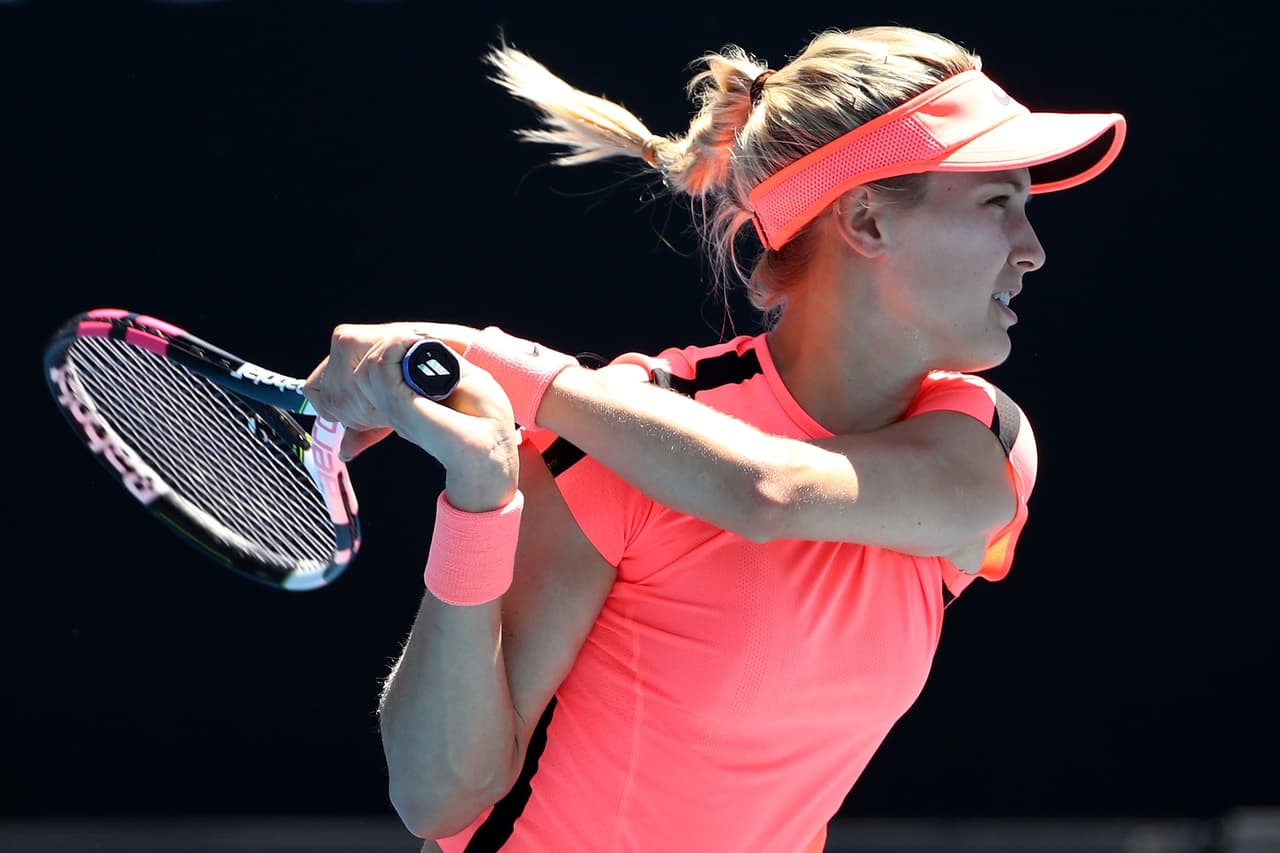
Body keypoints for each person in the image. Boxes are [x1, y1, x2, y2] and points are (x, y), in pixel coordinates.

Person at [302, 24, 1126, 853]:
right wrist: (480, 495)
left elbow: (768, 492)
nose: (1034, 249)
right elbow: (437, 797)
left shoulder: (987, 446)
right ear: (867, 221)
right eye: (998, 203)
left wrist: (488, 359)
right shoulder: (605, 446)